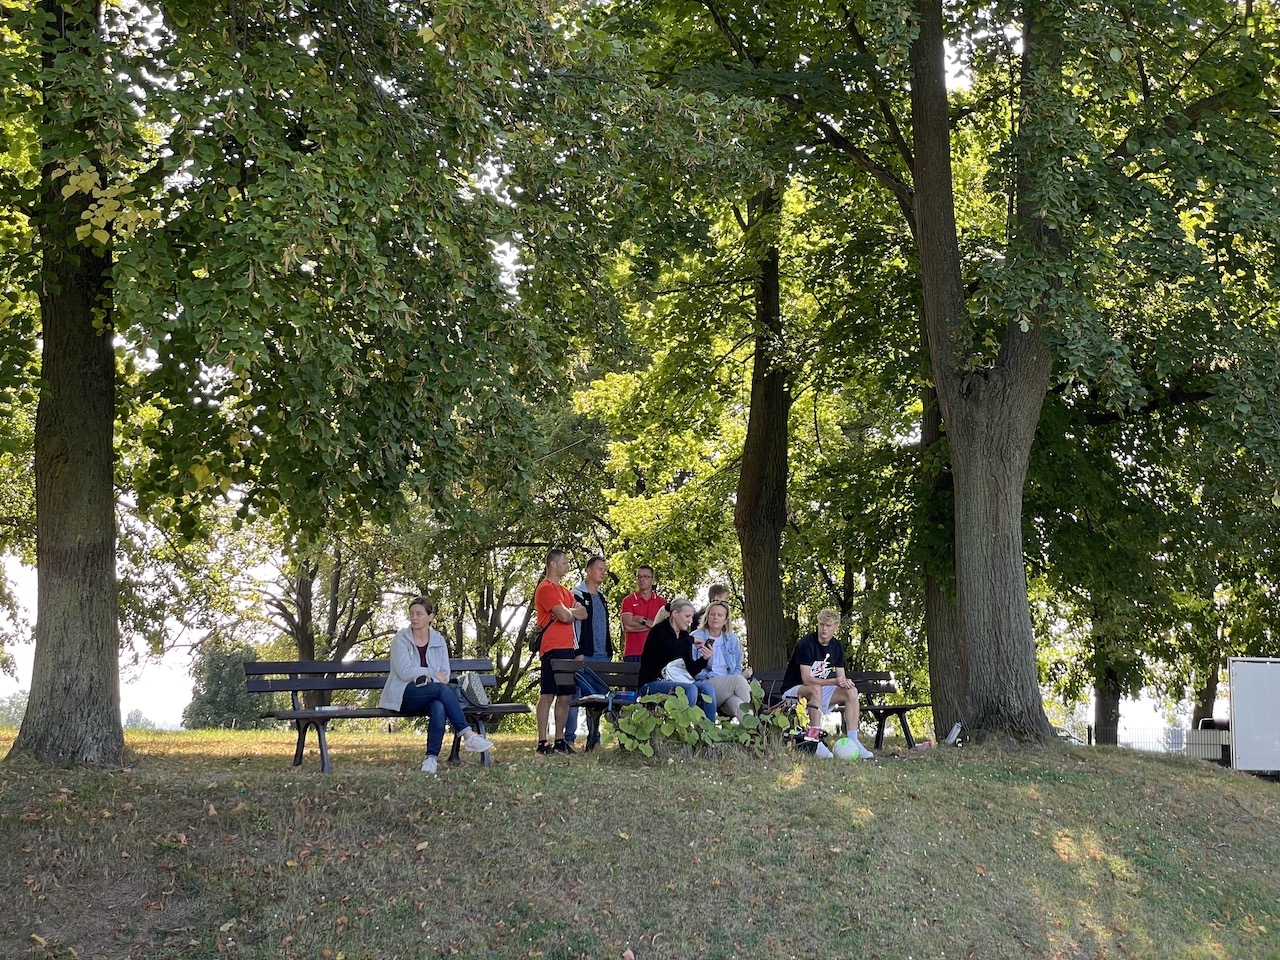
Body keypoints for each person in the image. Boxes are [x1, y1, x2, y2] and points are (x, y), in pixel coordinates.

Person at [380, 596, 495, 774]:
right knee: (441, 689)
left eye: (419, 614)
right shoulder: (401, 639)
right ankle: (467, 734)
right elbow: (404, 672)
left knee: (439, 706)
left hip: (430, 692)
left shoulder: (438, 640)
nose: (414, 618)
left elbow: (445, 674)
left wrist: (428, 676)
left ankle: (431, 759)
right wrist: (432, 672)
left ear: (430, 617)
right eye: (411, 613)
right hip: (404, 694)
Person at [782, 608, 873, 759]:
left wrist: (846, 682)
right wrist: (834, 681)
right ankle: (814, 739)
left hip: (818, 690)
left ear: (835, 627)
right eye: (821, 624)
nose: (824, 629)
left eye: (828, 625)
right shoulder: (806, 644)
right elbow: (806, 679)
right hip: (794, 692)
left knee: (851, 691)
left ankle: (853, 740)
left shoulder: (836, 647)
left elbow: (841, 678)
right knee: (816, 688)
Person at [534, 548, 588, 755]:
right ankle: (542, 742)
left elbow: (582, 613)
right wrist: (568, 613)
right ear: (552, 564)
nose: (567, 566)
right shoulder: (545, 588)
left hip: (568, 648)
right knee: (548, 694)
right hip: (551, 647)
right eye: (564, 562)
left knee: (566, 695)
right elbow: (565, 617)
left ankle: (559, 740)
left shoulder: (566, 591)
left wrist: (568, 612)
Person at [637, 598, 717, 722]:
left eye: (691, 617)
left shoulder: (684, 636)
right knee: (690, 689)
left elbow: (691, 670)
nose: (690, 621)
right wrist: (691, 640)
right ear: (675, 614)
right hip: (651, 683)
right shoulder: (659, 631)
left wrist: (704, 659)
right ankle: (684, 728)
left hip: (677, 681)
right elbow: (672, 650)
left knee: (707, 688)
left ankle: (709, 730)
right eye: (687, 616)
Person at [565, 555, 612, 751]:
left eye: (604, 569)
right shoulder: (576, 595)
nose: (603, 572)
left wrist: (609, 649)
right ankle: (568, 739)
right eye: (600, 569)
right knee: (576, 697)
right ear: (589, 570)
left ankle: (594, 740)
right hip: (584, 654)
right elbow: (573, 627)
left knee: (598, 698)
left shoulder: (601, 597)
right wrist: (577, 651)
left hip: (603, 655)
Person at [693, 600, 753, 721]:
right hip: (706, 684)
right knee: (739, 680)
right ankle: (758, 718)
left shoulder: (732, 639)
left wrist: (729, 681)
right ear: (707, 617)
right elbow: (693, 669)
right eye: (712, 614)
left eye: (720, 615)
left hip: (727, 690)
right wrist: (728, 679)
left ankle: (752, 730)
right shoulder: (696, 637)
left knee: (738, 704)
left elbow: (737, 667)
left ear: (725, 620)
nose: (715, 617)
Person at [619, 565, 666, 661]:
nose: (641, 580)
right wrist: (654, 626)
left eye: (645, 577)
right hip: (633, 653)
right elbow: (627, 626)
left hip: (656, 652)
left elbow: (664, 629)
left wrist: (642, 619)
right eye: (639, 577)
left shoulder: (662, 602)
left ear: (652, 580)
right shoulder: (628, 600)